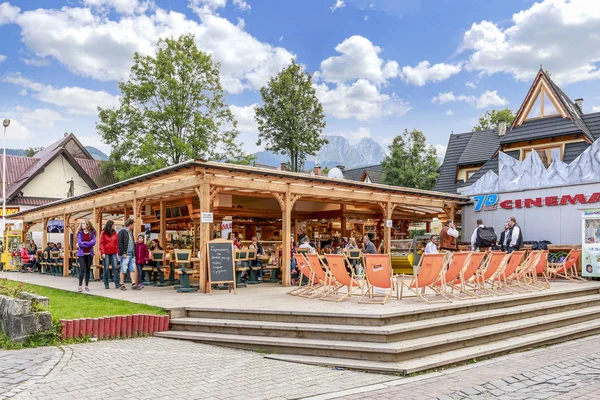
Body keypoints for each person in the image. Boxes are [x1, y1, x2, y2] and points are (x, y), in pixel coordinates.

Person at [118, 218, 139, 291]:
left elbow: (132, 242)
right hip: (125, 254)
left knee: (132, 269)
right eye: (132, 224)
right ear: (130, 225)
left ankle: (133, 284)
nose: (133, 226)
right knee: (123, 269)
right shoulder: (122, 232)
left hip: (131, 254)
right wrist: (122, 252)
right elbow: (120, 243)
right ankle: (121, 284)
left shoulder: (130, 232)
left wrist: (134, 252)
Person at [76, 219, 96, 292]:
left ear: (87, 224)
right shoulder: (80, 233)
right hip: (82, 254)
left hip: (89, 254)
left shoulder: (92, 233)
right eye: (81, 224)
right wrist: (88, 243)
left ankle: (86, 286)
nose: (82, 225)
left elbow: (93, 243)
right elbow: (79, 243)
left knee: (88, 269)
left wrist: (84, 243)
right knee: (82, 269)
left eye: (84, 223)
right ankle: (80, 286)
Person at [100, 220, 120, 289]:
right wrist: (102, 252)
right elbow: (101, 243)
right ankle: (106, 284)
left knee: (115, 268)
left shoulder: (115, 233)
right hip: (106, 252)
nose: (114, 227)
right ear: (109, 226)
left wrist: (117, 252)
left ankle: (117, 283)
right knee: (106, 268)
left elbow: (117, 243)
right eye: (113, 225)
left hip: (114, 252)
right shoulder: (103, 233)